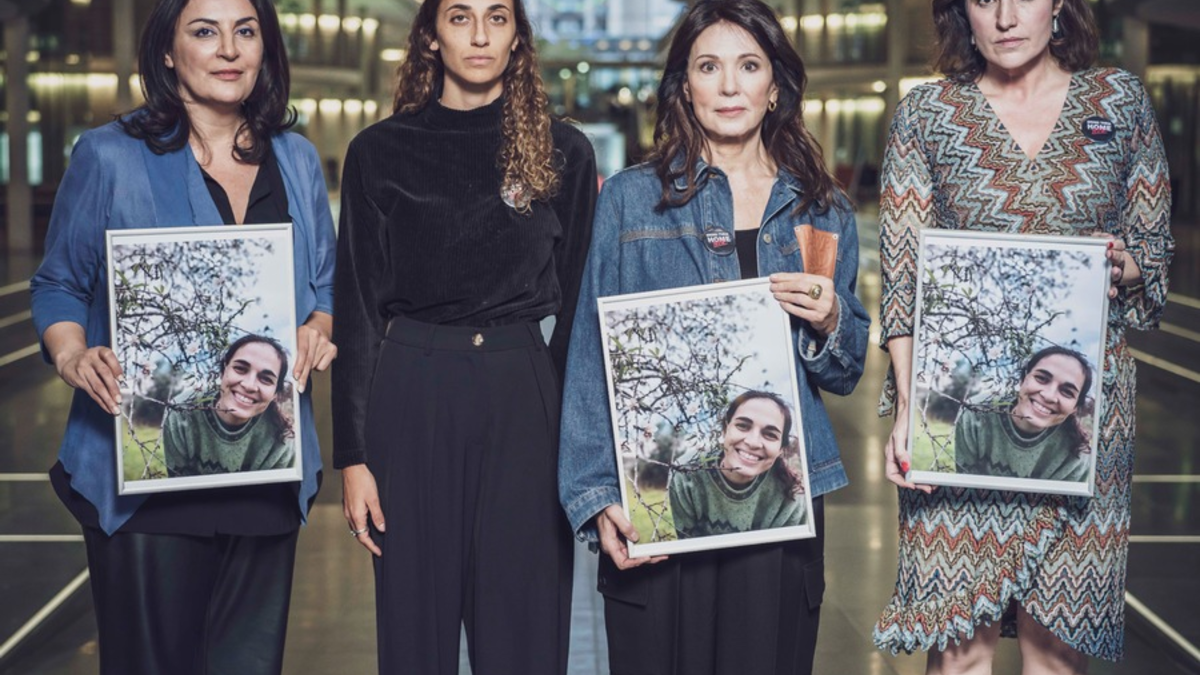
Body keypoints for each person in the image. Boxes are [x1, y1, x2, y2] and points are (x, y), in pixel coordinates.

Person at [558, 1, 870, 672]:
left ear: (775, 86)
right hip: (664, 497)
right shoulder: (631, 201)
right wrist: (594, 493)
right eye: (709, 67)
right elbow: (589, 353)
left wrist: (829, 319)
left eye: (748, 66)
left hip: (781, 501)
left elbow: (845, 368)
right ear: (684, 88)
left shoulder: (821, 208)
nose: (730, 86)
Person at [28, 0, 337, 671]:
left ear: (265, 47)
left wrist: (318, 328)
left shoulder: (298, 159)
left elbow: (325, 286)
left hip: (265, 473)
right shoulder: (110, 156)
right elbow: (58, 283)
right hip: (147, 477)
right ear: (168, 52)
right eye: (204, 31)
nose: (228, 48)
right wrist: (72, 352)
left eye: (245, 31)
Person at [873, 0, 1172, 671]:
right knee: (960, 652)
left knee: (1055, 653)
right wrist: (909, 414)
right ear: (960, 11)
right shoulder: (927, 115)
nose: (1007, 16)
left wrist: (1121, 263)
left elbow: (1153, 256)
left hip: (1082, 426)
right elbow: (902, 274)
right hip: (960, 412)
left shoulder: (1117, 103)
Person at [331, 0, 597, 672]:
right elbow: (358, 305)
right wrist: (353, 456)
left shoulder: (561, 150)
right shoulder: (378, 152)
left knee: (525, 625)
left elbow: (578, 309)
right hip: (412, 389)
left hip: (523, 391)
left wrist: (572, 436)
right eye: (459, 16)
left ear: (517, 38)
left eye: (497, 17)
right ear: (429, 36)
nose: (479, 33)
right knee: (413, 628)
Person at [670, 391, 807, 538]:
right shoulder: (685, 472)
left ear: (781, 449)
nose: (753, 442)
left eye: (770, 434)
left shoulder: (791, 497)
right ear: (725, 429)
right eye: (743, 426)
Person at [164, 334, 297, 477]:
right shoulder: (179, 410)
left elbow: (273, 497)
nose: (249, 385)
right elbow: (178, 489)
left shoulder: (282, 441)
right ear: (223, 370)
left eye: (266, 379)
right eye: (240, 368)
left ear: (275, 394)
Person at [955, 347, 1094, 482]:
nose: (1049, 396)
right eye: (1041, 378)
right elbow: (963, 489)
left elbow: (1063, 505)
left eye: (1067, 392)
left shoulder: (1077, 456)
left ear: (1075, 407)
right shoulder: (975, 411)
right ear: (1023, 379)